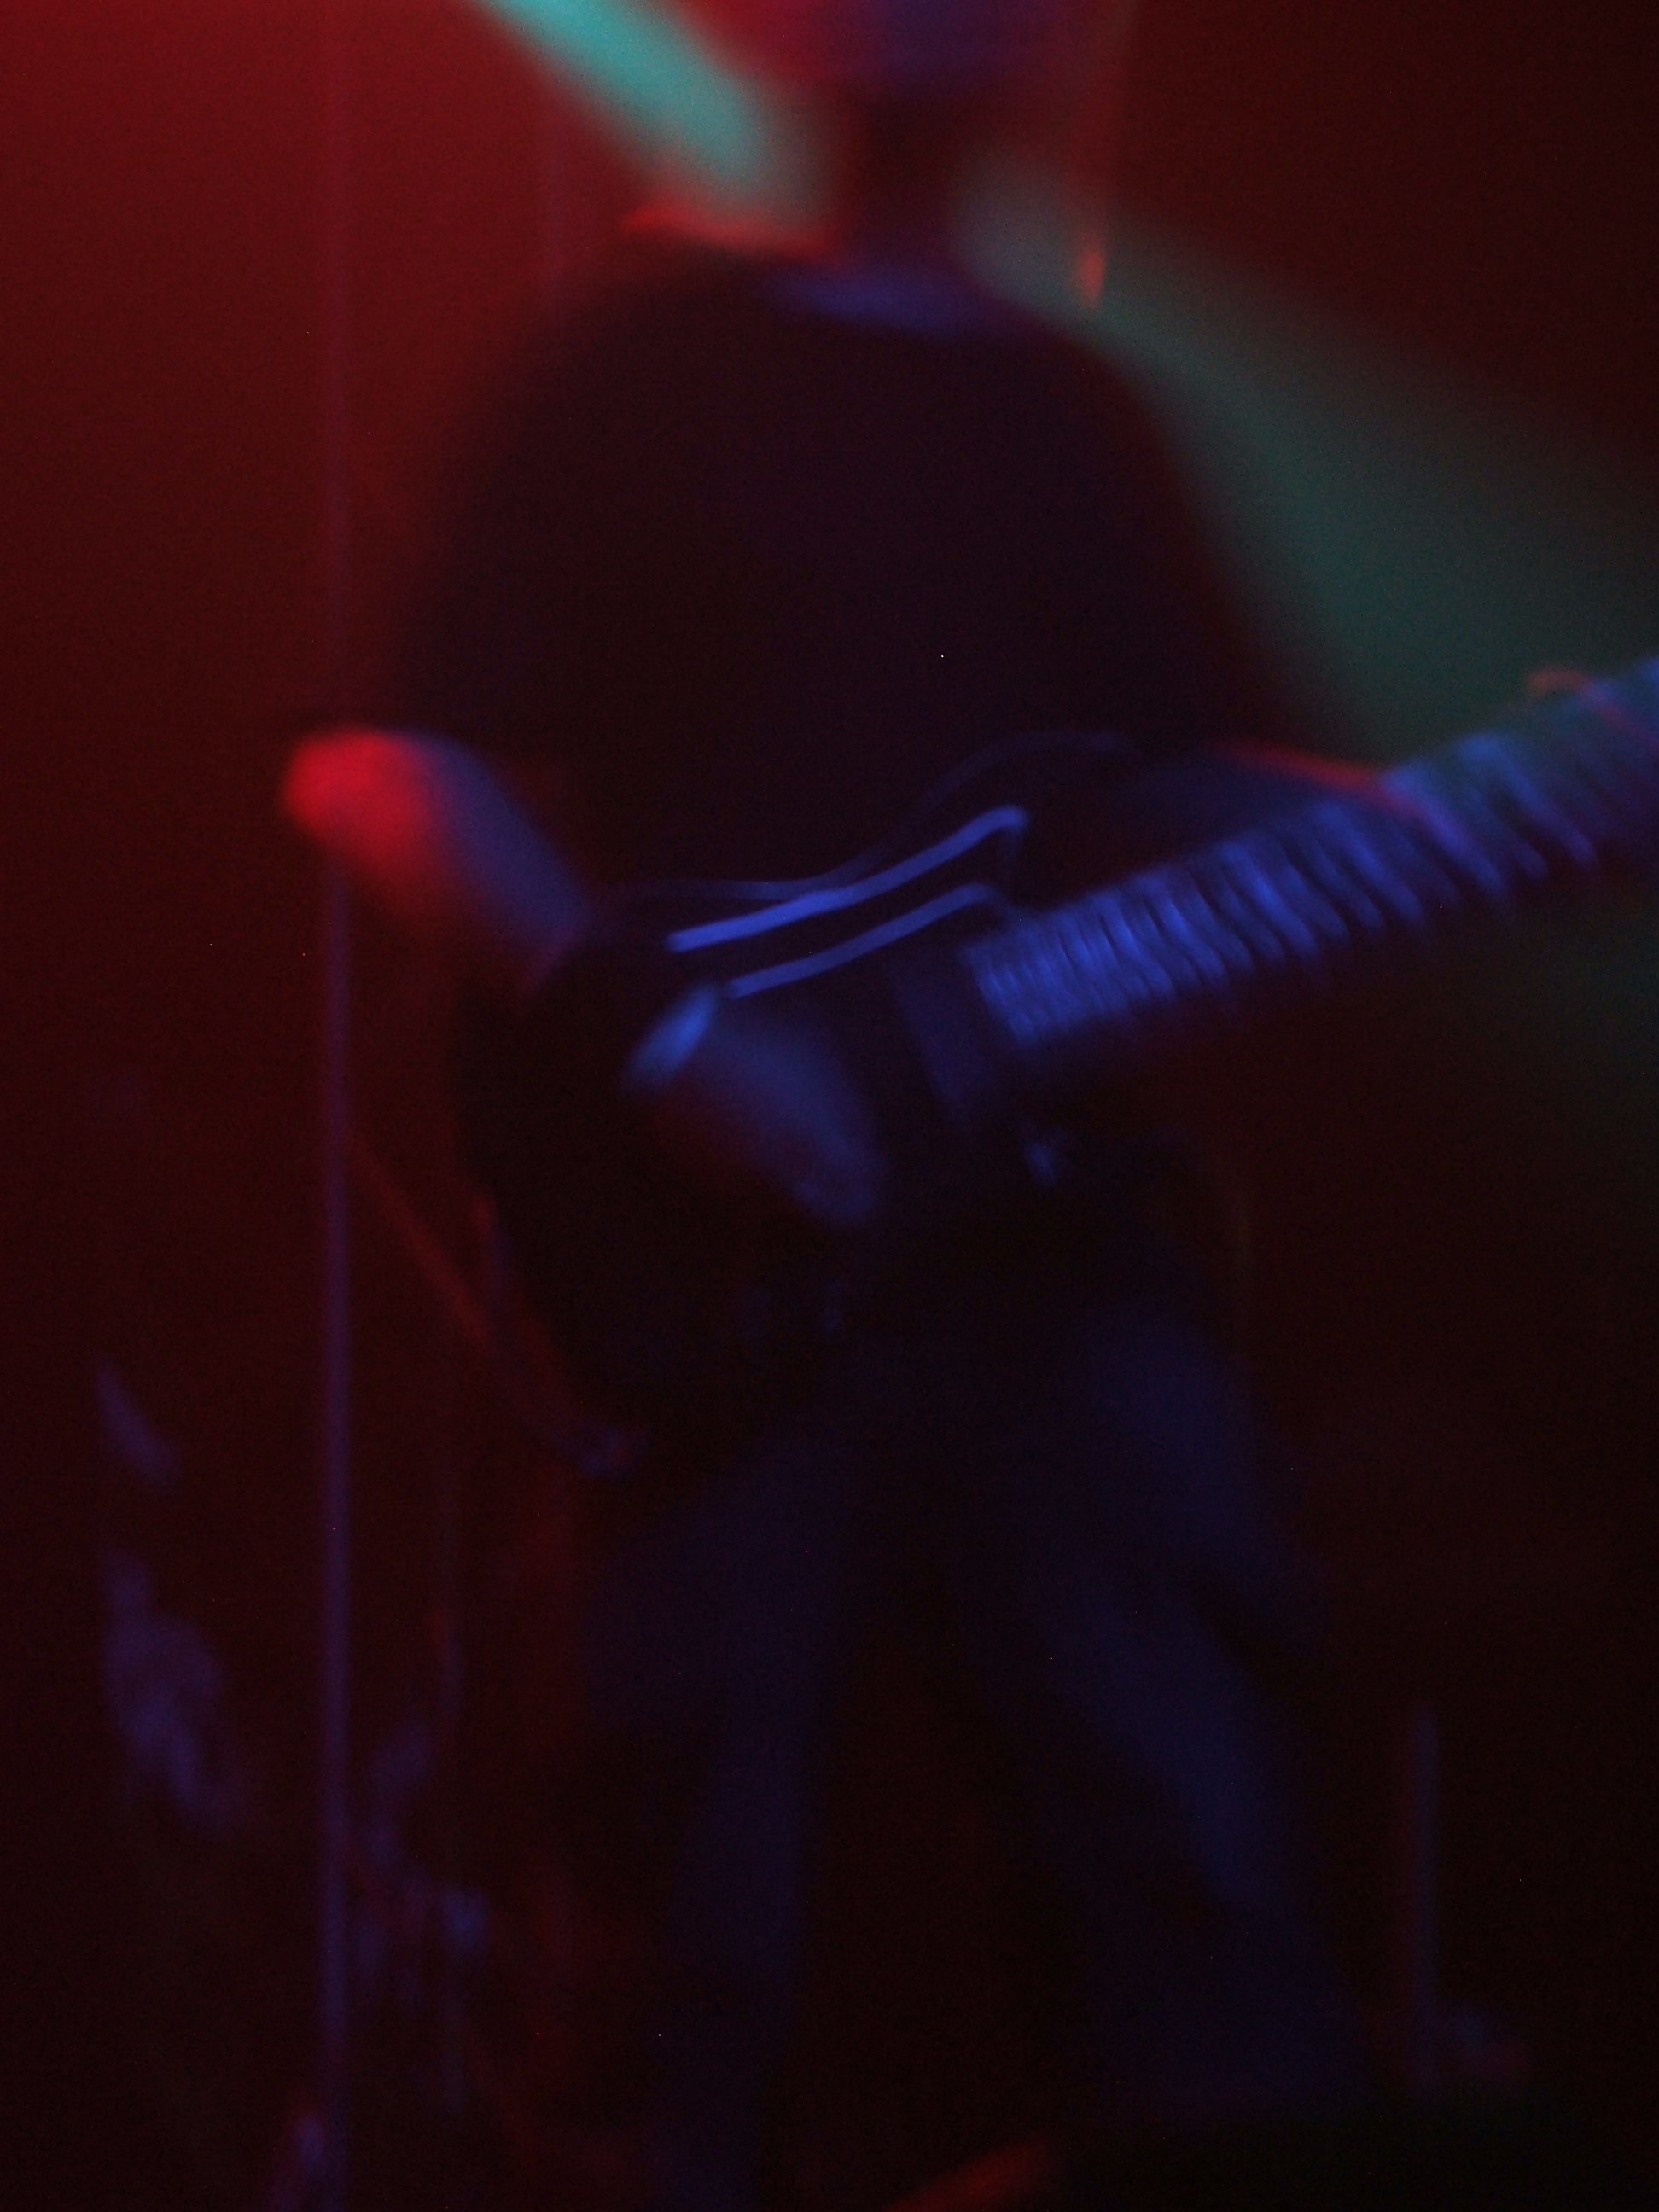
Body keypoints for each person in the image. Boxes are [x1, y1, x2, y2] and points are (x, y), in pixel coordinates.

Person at [286, 1, 1374, 2202]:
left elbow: (1185, 790)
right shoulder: (623, 372)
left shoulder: (1073, 414)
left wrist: (1501, 823)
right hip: (728, 1269)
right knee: (679, 1942)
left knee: (1196, 1880)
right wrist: (675, 1052)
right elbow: (387, 768)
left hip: (1053, 1236)